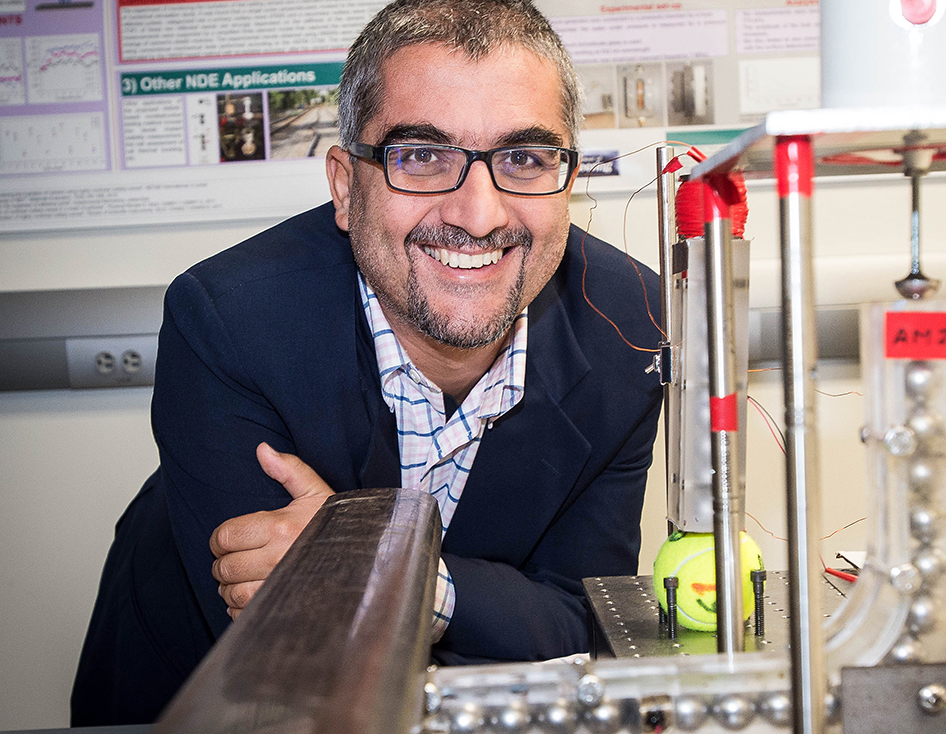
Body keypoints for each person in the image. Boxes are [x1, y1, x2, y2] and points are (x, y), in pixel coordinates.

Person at [70, 0, 663, 725]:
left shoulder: (631, 327)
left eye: (524, 159)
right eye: (422, 156)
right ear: (347, 190)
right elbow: (279, 651)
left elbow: (583, 627)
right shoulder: (228, 319)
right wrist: (493, 603)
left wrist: (384, 568)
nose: (478, 215)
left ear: (566, 182)